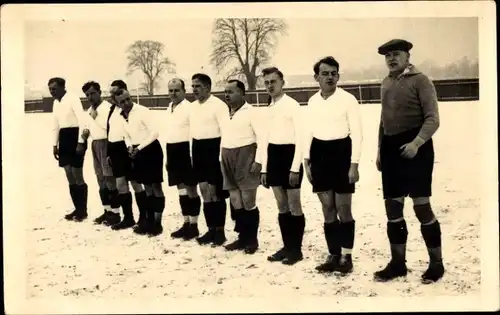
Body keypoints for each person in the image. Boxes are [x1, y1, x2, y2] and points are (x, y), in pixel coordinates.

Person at [373, 39, 444, 284]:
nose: (391, 59)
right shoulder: (386, 82)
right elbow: (383, 121)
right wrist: (380, 151)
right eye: (388, 56)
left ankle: (436, 264)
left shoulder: (421, 80)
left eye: (396, 54)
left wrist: (416, 143)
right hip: (392, 149)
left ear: (407, 56)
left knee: (421, 207)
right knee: (392, 208)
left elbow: (433, 119)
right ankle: (398, 264)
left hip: (417, 148)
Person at [303, 56, 363, 274]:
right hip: (319, 155)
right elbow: (307, 132)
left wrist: (354, 165)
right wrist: (306, 160)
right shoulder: (312, 101)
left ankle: (347, 256)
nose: (330, 77)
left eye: (333, 73)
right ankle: (333, 254)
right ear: (316, 77)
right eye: (325, 73)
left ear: (338, 76)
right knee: (327, 208)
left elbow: (357, 134)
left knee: (343, 208)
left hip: (342, 154)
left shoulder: (348, 100)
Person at [260, 67, 306, 265]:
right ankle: (287, 246)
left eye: (273, 82)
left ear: (282, 83)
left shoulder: (292, 105)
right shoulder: (269, 106)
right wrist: (264, 168)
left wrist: (295, 168)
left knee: (294, 205)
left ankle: (296, 250)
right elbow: (265, 139)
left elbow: (301, 138)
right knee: (282, 206)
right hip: (274, 157)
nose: (270, 86)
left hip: (290, 157)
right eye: (267, 82)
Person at [114, 89, 166, 237]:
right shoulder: (120, 116)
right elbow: (126, 135)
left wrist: (139, 147)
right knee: (147, 188)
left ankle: (157, 223)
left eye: (127, 99)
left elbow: (154, 132)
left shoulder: (142, 111)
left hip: (151, 151)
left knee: (155, 186)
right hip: (137, 152)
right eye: (122, 101)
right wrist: (130, 146)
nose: (126, 103)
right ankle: (148, 222)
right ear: (118, 103)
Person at [221, 80, 264, 254]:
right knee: (235, 200)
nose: (227, 95)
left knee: (248, 200)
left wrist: (259, 161)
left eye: (231, 92)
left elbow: (262, 137)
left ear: (241, 93)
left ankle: (252, 239)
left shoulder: (251, 112)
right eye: (225, 92)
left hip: (246, 156)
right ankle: (242, 237)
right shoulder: (225, 113)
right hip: (227, 156)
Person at [190, 73, 229, 246]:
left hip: (214, 149)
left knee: (215, 193)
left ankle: (220, 231)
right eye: (193, 86)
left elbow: (226, 131)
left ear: (207, 87)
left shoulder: (219, 106)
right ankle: (210, 229)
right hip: (198, 149)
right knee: (204, 190)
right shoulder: (192, 107)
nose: (194, 90)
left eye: (197, 86)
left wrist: (221, 158)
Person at [106, 80, 147, 232]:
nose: (113, 95)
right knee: (120, 185)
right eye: (111, 93)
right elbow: (110, 131)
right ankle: (128, 217)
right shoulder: (112, 109)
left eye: (116, 91)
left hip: (127, 147)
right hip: (115, 150)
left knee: (136, 182)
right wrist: (109, 153)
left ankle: (144, 217)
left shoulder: (128, 109)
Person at [165, 78, 202, 241]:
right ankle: (186, 222)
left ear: (184, 91)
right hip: (172, 150)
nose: (173, 94)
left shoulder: (190, 108)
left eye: (176, 90)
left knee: (191, 189)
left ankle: (194, 225)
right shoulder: (169, 107)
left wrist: (192, 156)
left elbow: (194, 132)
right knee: (180, 189)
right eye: (170, 90)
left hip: (186, 150)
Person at [81, 81, 121, 226]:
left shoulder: (108, 108)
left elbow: (109, 127)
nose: (90, 97)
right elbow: (88, 126)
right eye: (87, 95)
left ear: (99, 93)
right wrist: (85, 133)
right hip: (95, 144)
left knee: (110, 178)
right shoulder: (90, 110)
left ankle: (116, 213)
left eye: (92, 93)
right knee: (100, 179)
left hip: (106, 143)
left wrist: (94, 118)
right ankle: (107, 210)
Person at [49, 77, 89, 222]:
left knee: (77, 174)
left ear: (62, 87)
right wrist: (55, 144)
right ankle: (77, 208)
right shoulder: (55, 103)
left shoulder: (73, 98)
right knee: (69, 174)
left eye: (54, 88)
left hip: (75, 136)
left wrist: (80, 142)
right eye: (50, 89)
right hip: (64, 139)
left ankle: (82, 211)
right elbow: (55, 124)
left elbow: (83, 120)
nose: (51, 91)